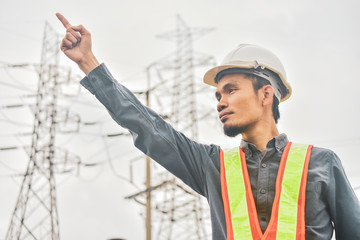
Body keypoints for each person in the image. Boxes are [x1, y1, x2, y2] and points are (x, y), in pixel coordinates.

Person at [56, 13, 360, 239]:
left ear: (266, 94)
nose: (220, 102)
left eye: (231, 90)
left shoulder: (321, 164)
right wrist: (88, 63)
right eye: (217, 95)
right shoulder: (213, 166)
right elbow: (148, 127)